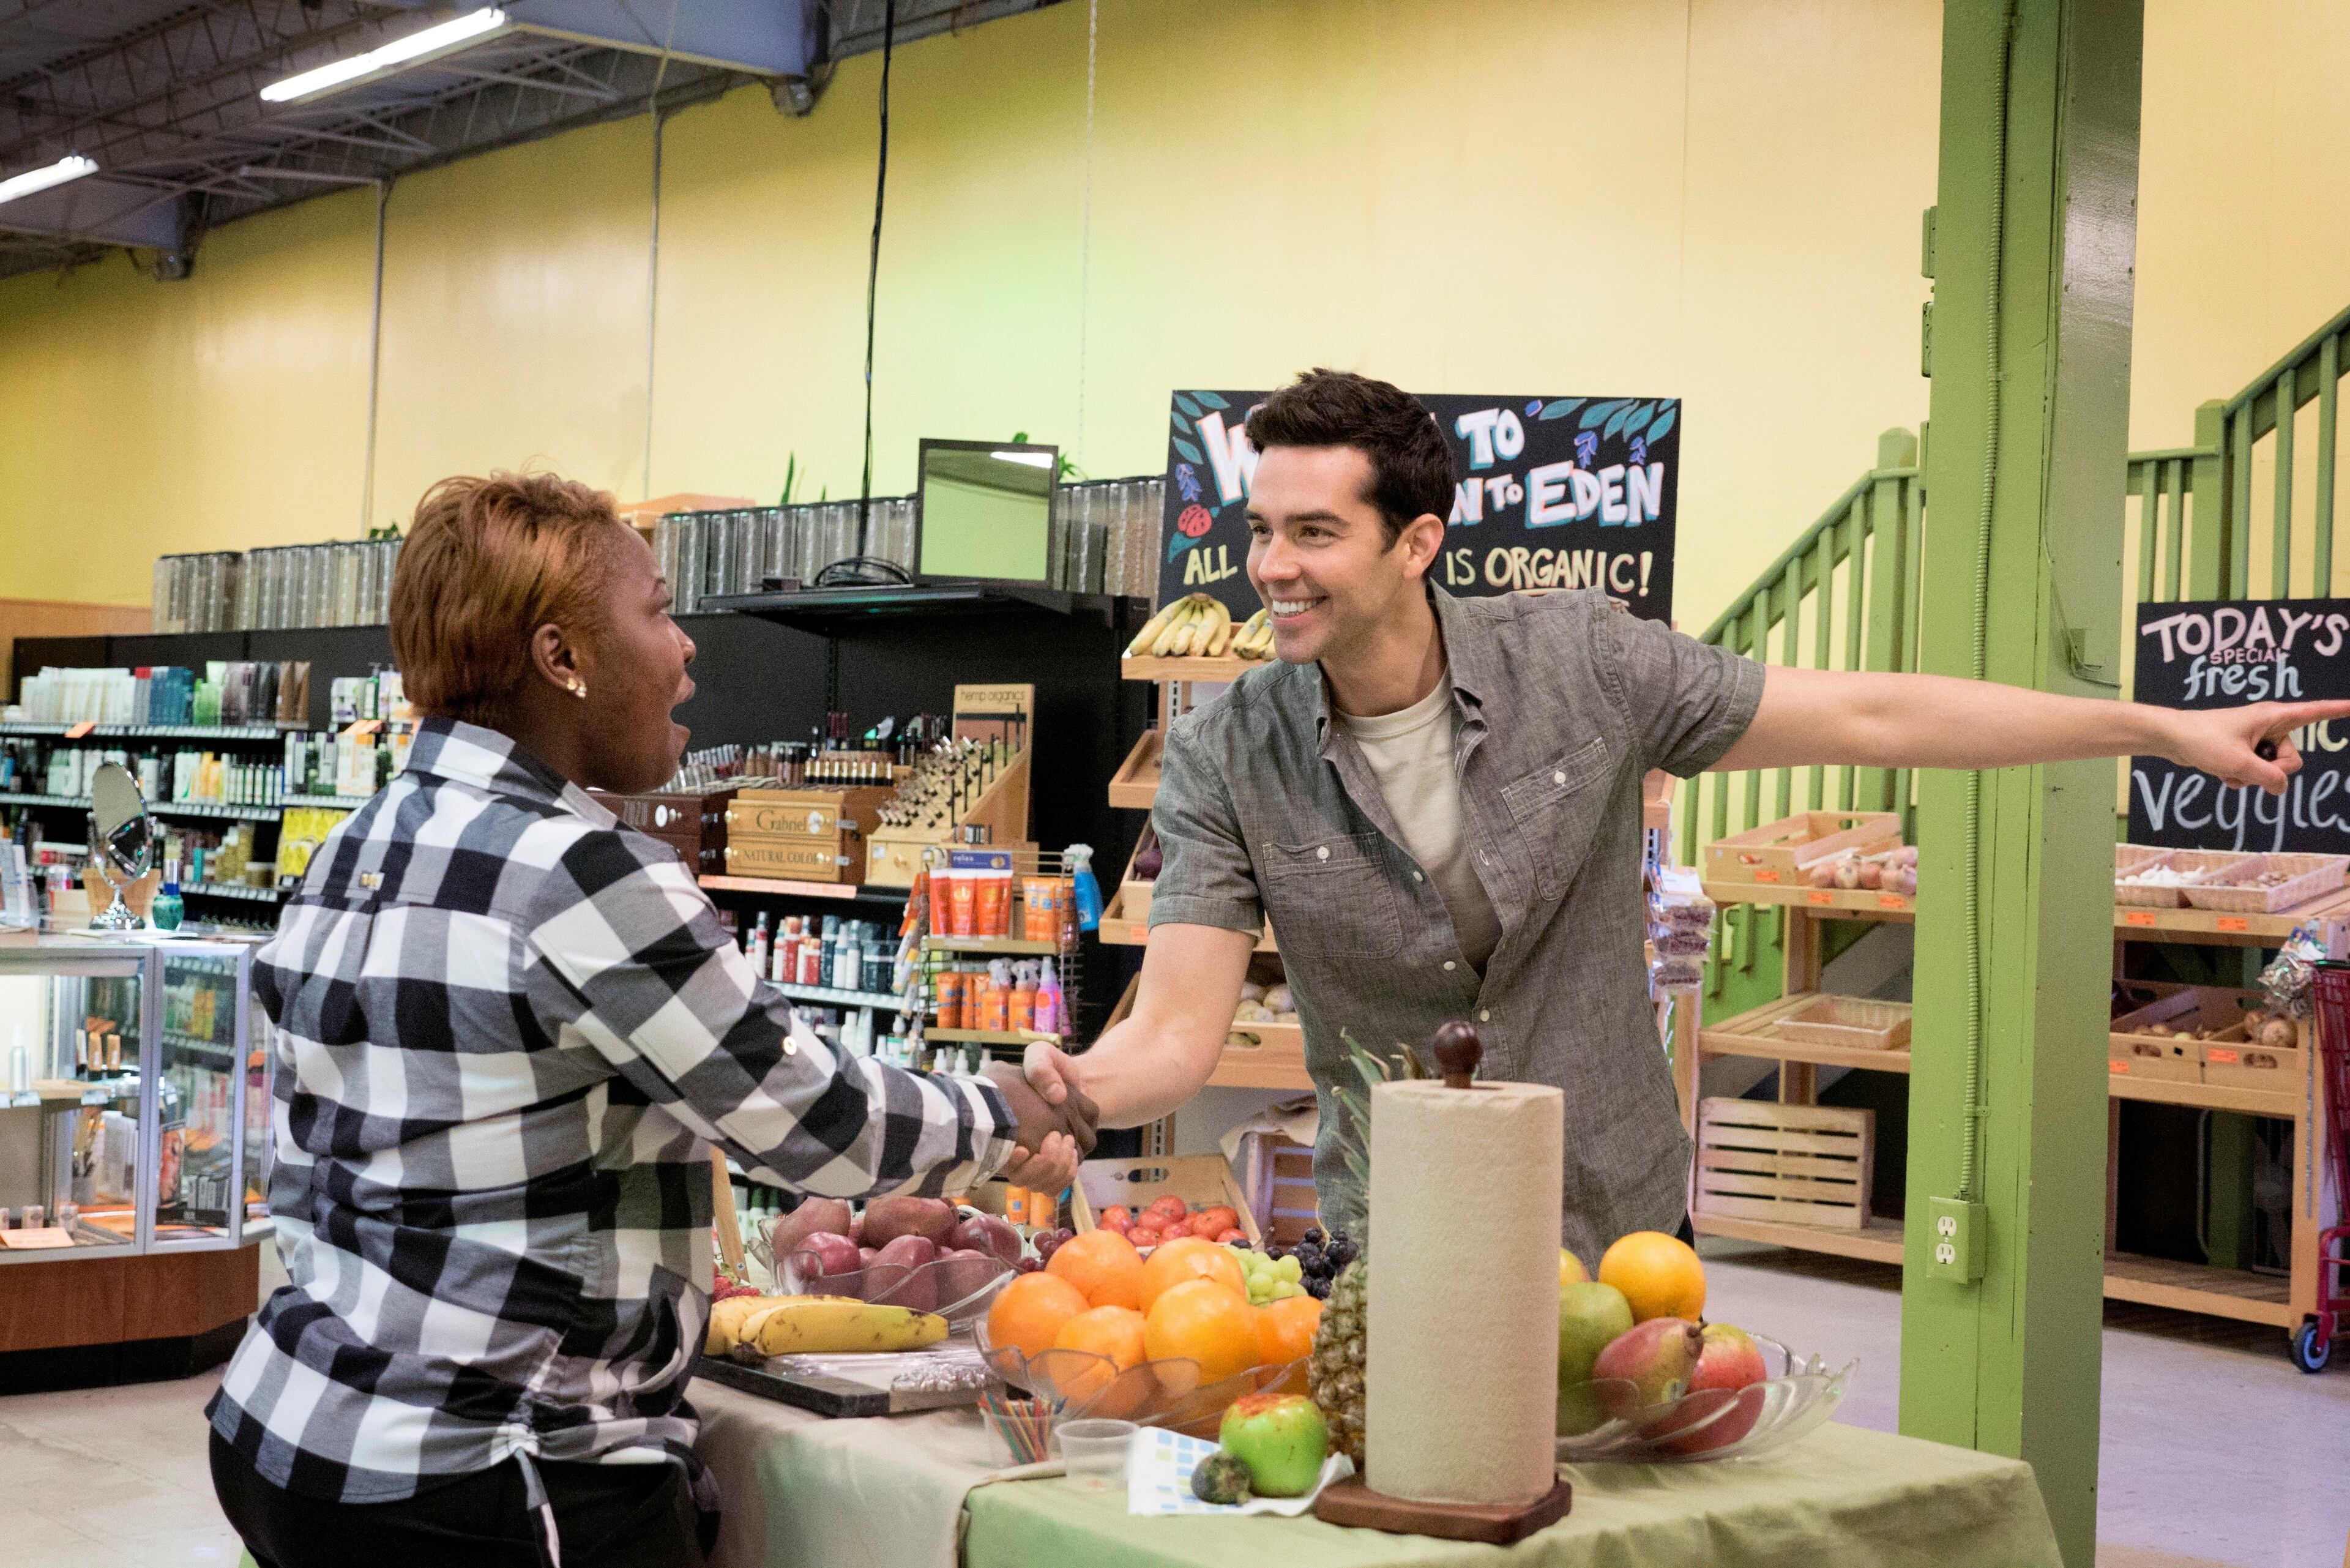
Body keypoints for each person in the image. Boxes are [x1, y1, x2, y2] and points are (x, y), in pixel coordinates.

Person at [1022, 368, 2350, 1264]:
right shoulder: (1232, 749)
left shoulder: (1582, 665)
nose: (1271, 566)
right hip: (1400, 1233)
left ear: (1415, 543)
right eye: (1261, 530)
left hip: (1616, 1215)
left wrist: (2151, 726)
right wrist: (1071, 1092)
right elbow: (1178, 1033)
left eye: (1313, 533)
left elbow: (1873, 715)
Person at [206, 472, 1096, 1568]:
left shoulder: (357, 844)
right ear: (562, 657)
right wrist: (999, 1109)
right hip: (497, 1471)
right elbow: (813, 1120)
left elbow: (353, 1167)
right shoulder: (583, 871)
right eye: (659, 610)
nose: (686, 646)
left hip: (294, 1433)